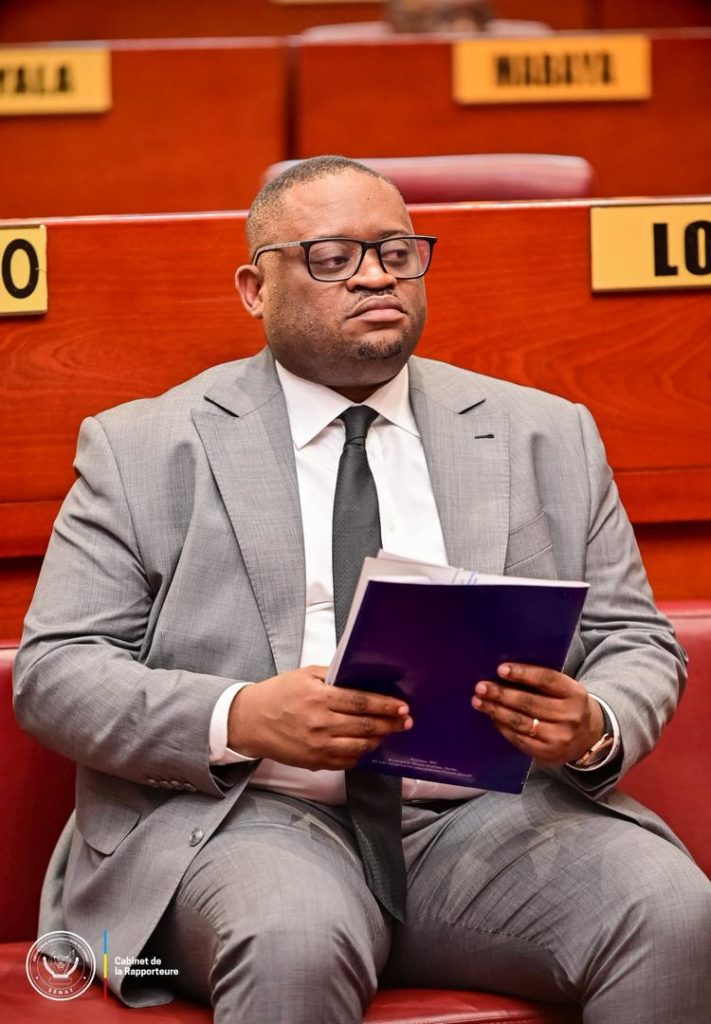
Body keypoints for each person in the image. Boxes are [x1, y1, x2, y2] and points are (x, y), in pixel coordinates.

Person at [13, 156, 711, 1023]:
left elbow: (632, 639)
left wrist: (592, 723)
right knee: (292, 939)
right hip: (247, 816)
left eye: (395, 252)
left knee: (674, 911)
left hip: (483, 818)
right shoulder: (144, 447)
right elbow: (57, 671)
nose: (376, 275)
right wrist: (239, 716)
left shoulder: (544, 433)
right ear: (253, 289)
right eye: (332, 258)